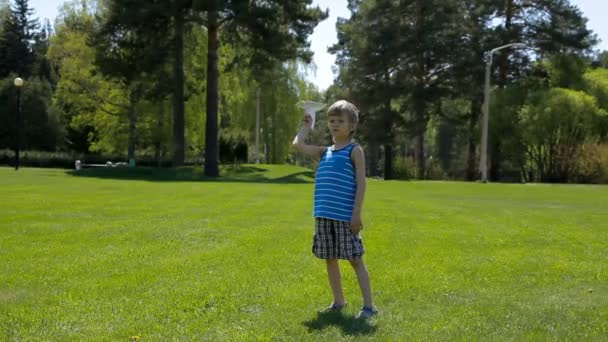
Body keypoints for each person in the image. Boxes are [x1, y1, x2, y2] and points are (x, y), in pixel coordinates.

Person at [292, 100, 378, 319]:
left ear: (352, 125)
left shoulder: (354, 150)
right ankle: (339, 302)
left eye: (340, 121)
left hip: (345, 217)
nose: (334, 124)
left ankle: (369, 307)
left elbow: (361, 183)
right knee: (329, 258)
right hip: (323, 215)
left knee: (355, 260)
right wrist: (306, 126)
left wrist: (356, 213)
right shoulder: (324, 152)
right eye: (331, 120)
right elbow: (298, 145)